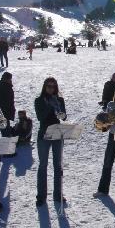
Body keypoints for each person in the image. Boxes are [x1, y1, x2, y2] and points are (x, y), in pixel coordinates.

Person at [34, 77, 67, 207]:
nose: (51, 89)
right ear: (44, 87)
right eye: (48, 86)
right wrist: (49, 105)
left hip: (57, 132)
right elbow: (40, 117)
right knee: (43, 165)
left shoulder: (60, 100)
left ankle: (58, 194)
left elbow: (64, 116)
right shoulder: (39, 100)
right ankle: (41, 196)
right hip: (44, 134)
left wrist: (62, 114)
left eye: (53, 86)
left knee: (58, 165)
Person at [0, 72, 16, 136]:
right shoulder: (8, 88)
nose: (10, 80)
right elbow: (10, 103)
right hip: (4, 115)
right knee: (5, 133)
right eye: (9, 79)